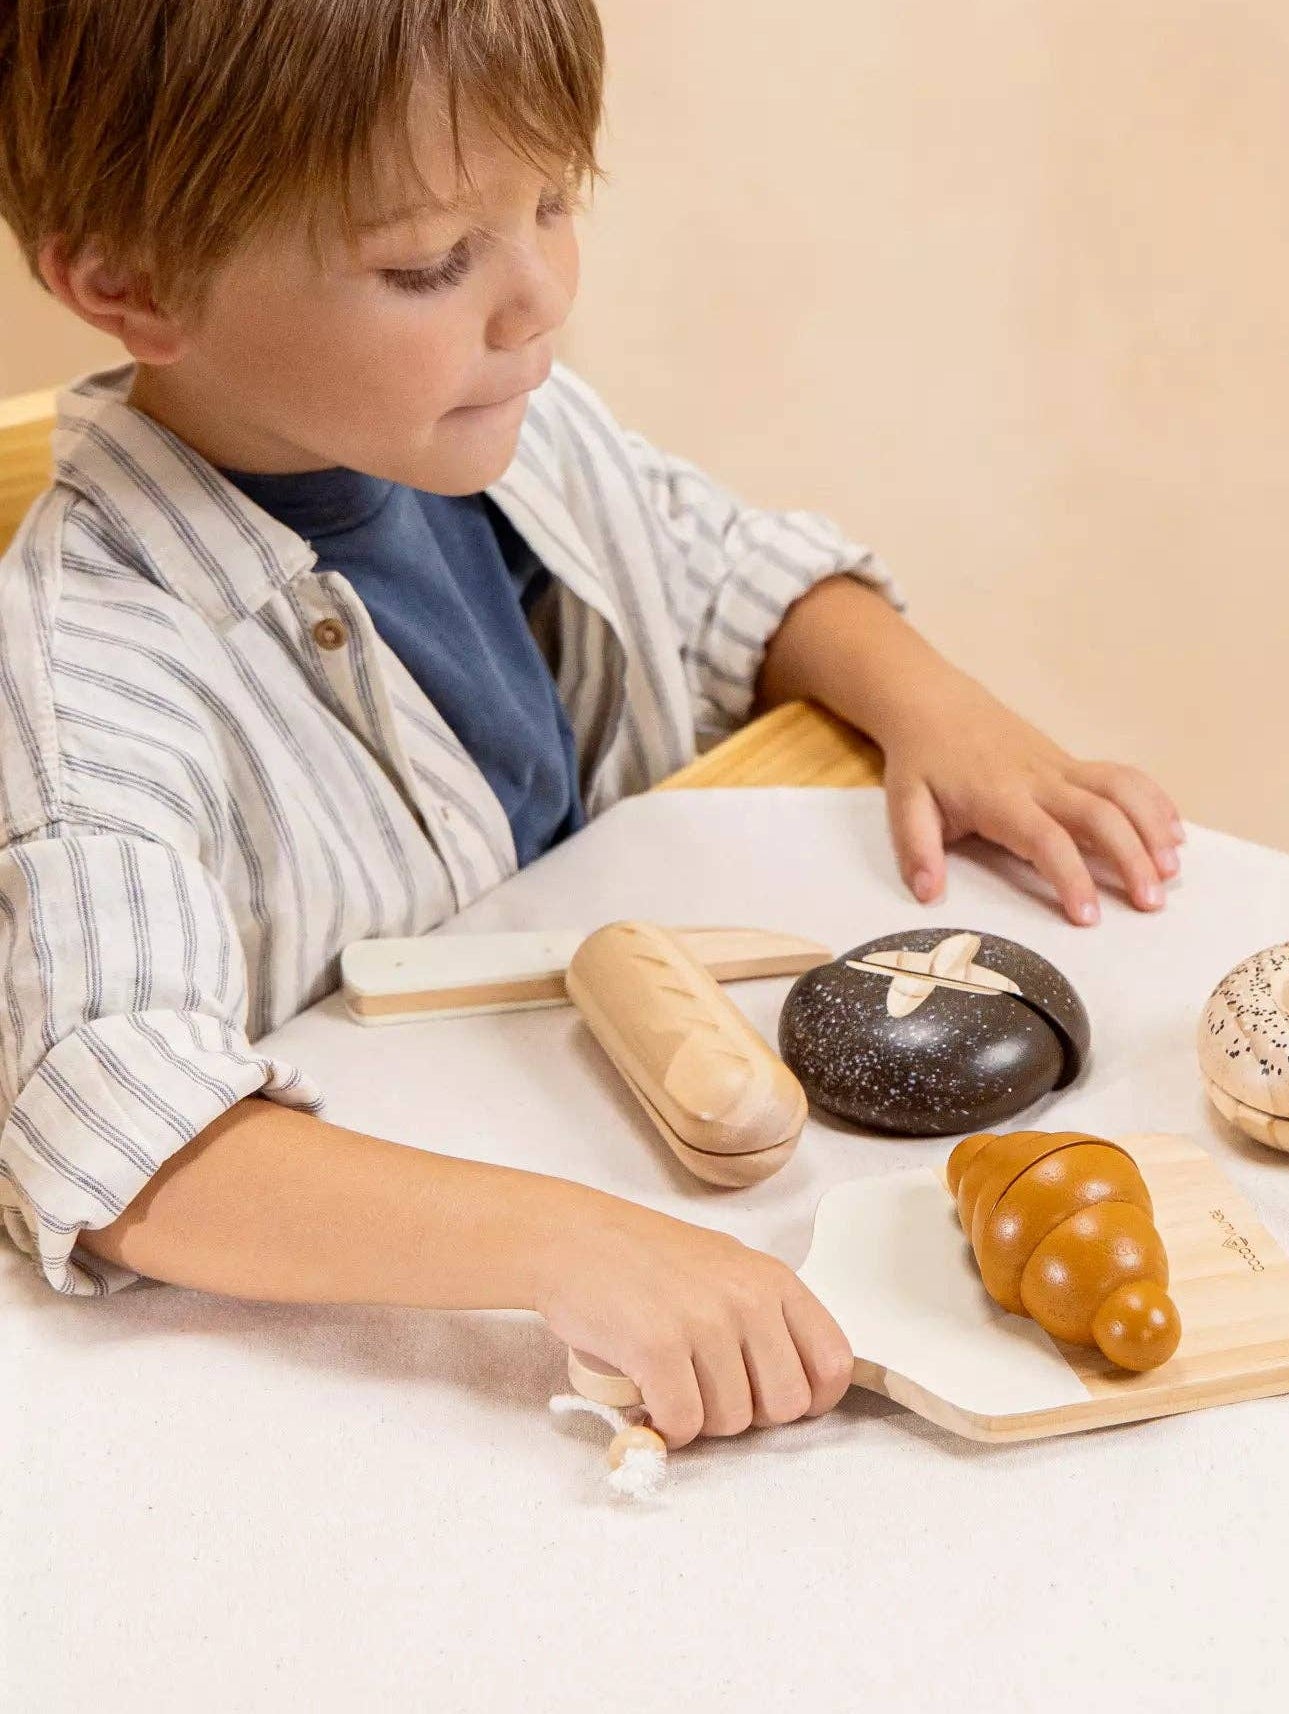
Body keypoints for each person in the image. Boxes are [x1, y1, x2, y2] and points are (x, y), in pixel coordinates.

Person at [0, 0, 1185, 1448]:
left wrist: (928, 700)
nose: (537, 296)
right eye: (431, 261)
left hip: (624, 1112)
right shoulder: (87, 669)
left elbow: (715, 569)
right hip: (401, 1301)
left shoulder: (499, 420)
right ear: (130, 281)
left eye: (555, 201)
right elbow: (125, 1139)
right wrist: (574, 1246)